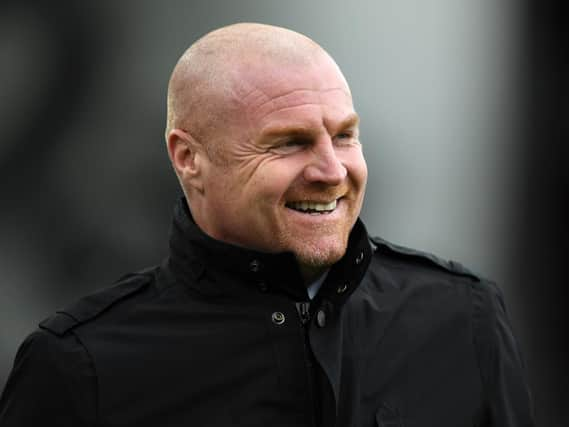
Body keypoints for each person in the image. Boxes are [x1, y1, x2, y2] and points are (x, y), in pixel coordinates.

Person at [0, 23, 534, 427]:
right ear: (189, 158)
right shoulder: (77, 366)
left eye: (345, 136)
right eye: (290, 142)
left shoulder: (464, 318)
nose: (332, 171)